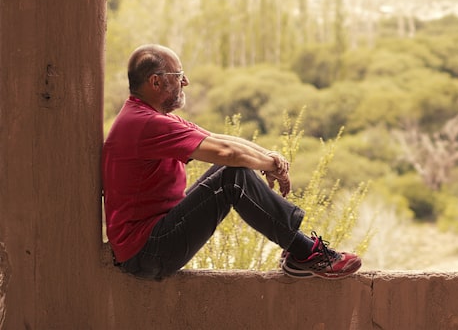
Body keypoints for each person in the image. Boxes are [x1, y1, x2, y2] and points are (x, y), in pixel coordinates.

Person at [102, 43, 361, 280]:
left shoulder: (146, 116)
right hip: (147, 252)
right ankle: (305, 252)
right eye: (178, 76)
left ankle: (298, 252)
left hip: (152, 243)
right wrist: (268, 166)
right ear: (155, 82)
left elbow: (218, 140)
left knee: (229, 171)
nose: (186, 82)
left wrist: (270, 157)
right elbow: (227, 153)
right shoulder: (145, 123)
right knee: (231, 177)